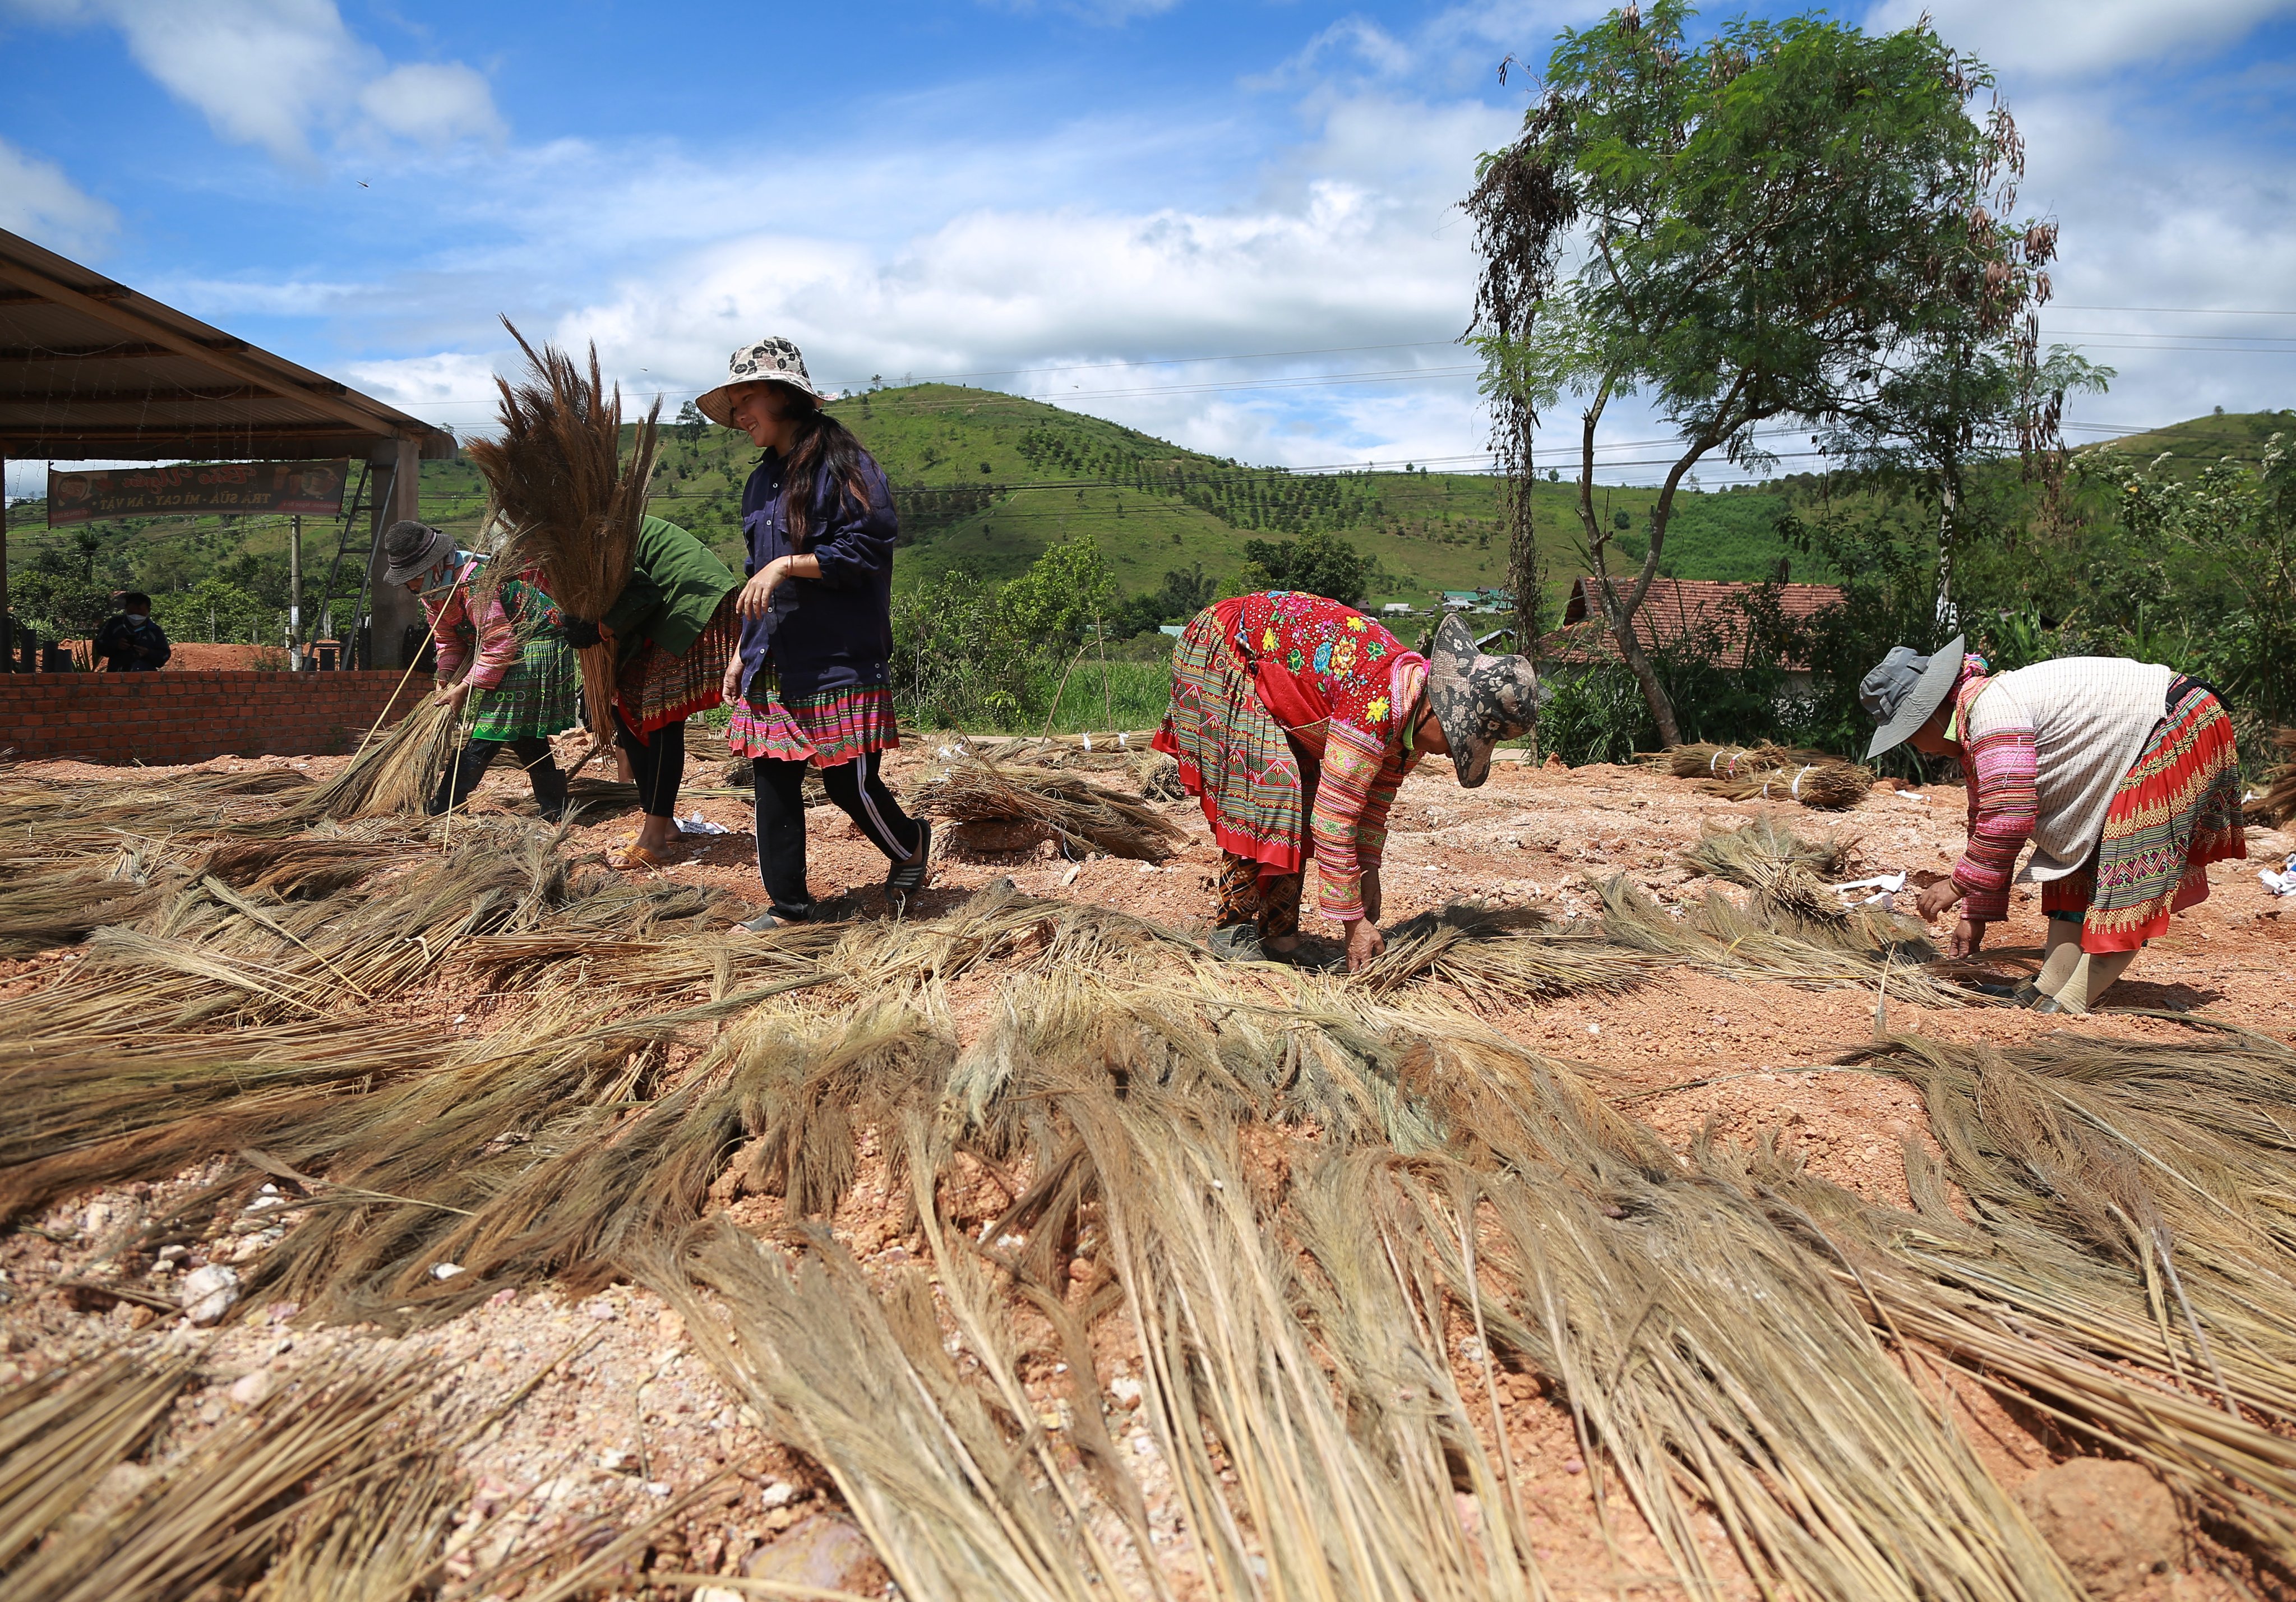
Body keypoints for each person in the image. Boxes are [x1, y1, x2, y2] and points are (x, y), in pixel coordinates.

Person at [1863, 636, 2246, 1014]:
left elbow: (2008, 818)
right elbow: (1985, 817)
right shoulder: (1976, 713)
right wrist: (1973, 913)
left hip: (2174, 725)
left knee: (2125, 867)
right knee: (2072, 851)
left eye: (1911, 737)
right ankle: (2048, 985)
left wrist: (1956, 884)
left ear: (1929, 714)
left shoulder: (1991, 712)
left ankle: (2071, 999)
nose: (1918, 749)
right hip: (2146, 736)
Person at [1154, 596, 1540, 972]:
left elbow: (1372, 802)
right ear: (1438, 709)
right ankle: (1231, 929)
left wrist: (1368, 872)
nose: (1452, 753)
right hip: (1227, 646)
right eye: (1459, 741)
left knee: (1304, 794)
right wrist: (1353, 921)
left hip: (1273, 679)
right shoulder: (1375, 701)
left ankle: (1279, 936)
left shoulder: (1408, 718)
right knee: (1275, 790)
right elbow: (1334, 818)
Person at [694, 335, 928, 929]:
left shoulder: (845, 467)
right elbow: (756, 576)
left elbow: (866, 549)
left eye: (747, 400)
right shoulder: (760, 484)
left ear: (784, 396)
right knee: (772, 780)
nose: (741, 416)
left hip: (836, 652)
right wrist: (742, 655)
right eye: (735, 406)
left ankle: (908, 845)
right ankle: (789, 908)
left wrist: (787, 564)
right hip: (775, 651)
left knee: (849, 782)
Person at [562, 513, 742, 868]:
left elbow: (643, 592)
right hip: (667, 608)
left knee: (659, 717)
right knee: (625, 706)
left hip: (691, 604)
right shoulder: (583, 529)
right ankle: (664, 824)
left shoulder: (593, 530)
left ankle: (655, 837)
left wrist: (601, 629)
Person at [380, 520, 579, 820]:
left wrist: (466, 687)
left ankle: (446, 804)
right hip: (506, 649)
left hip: (535, 645)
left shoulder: (476, 585)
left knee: (492, 726)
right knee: (521, 732)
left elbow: (501, 644)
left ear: (432, 568)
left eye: (413, 578)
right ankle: (556, 807)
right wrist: (445, 677)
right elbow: (447, 640)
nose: (410, 586)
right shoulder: (435, 593)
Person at [94, 593, 170, 672]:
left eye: (140, 614)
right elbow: (99, 645)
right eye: (132, 613)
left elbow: (164, 655)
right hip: (117, 674)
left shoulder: (155, 631)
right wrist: (116, 645)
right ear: (126, 608)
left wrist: (148, 653)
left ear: (149, 611)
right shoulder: (113, 625)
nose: (136, 617)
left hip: (146, 676)